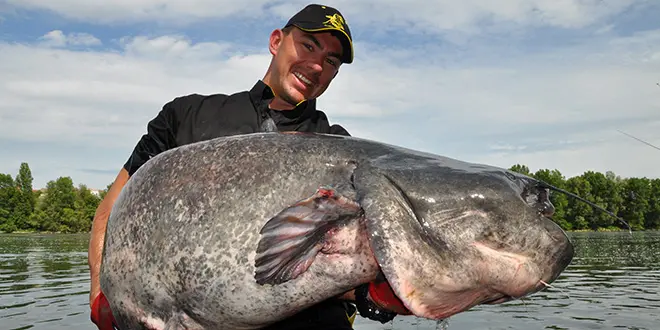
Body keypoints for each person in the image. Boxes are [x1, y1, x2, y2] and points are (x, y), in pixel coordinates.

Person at [87, 4, 411, 330]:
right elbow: (112, 209)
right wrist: (101, 289)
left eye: (330, 61)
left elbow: (340, 269)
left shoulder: (342, 153)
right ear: (275, 42)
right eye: (308, 45)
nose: (316, 65)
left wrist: (375, 294)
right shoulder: (184, 116)